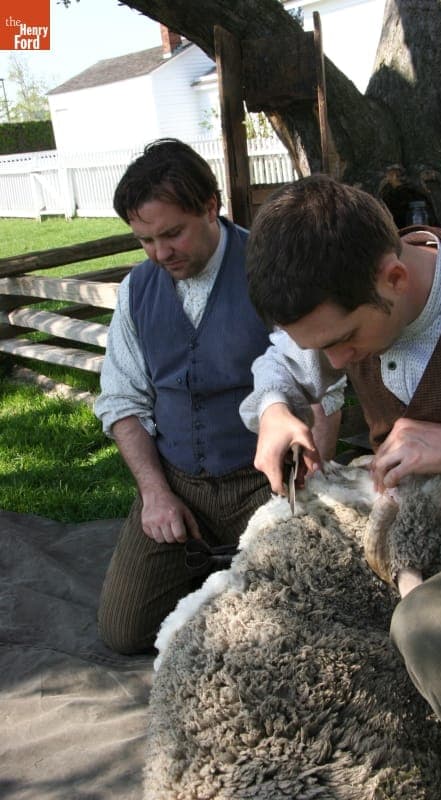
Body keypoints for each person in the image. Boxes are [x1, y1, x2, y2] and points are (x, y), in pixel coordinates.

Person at [240, 174, 441, 800]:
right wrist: (274, 409)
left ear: (393, 279)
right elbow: (284, 362)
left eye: (344, 341)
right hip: (435, 541)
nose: (339, 364)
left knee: (437, 624)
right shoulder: (350, 290)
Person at [94, 140, 343, 655]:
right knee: (124, 633)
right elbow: (123, 402)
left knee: (293, 624)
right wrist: (155, 494)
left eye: (172, 233)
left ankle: (228, 574)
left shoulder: (271, 269)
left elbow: (325, 389)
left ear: (211, 205)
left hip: (266, 482)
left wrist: (310, 487)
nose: (160, 253)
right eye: (144, 240)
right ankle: (212, 568)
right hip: (177, 485)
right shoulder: (137, 290)